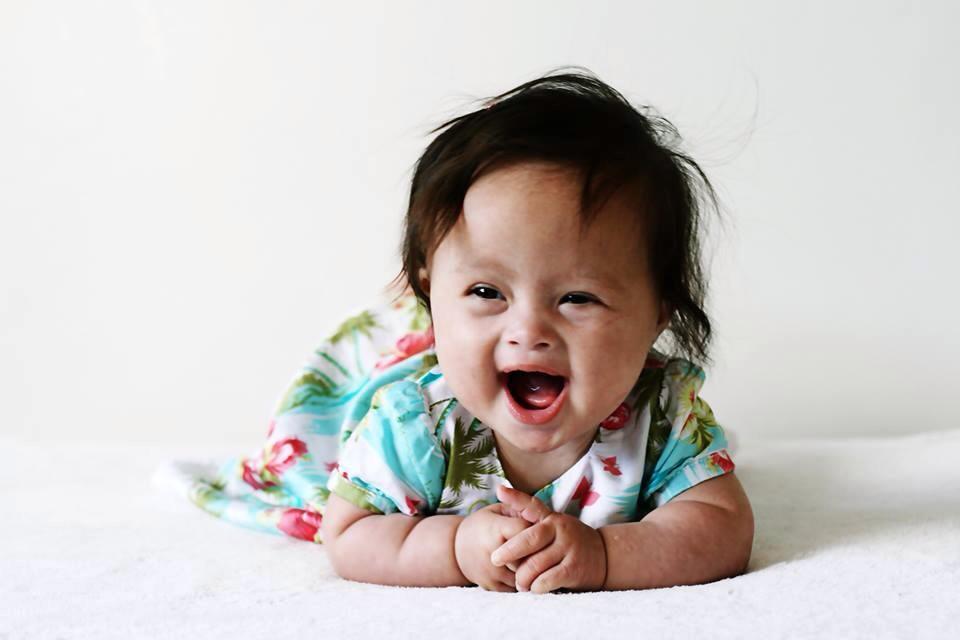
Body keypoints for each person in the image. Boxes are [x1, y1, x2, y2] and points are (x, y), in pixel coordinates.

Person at [179, 69, 754, 594]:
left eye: (577, 297)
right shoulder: (418, 424)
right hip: (378, 385)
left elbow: (721, 528)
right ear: (432, 291)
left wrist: (604, 553)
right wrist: (453, 547)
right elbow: (350, 534)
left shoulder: (663, 416)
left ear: (659, 313)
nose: (528, 331)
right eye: (487, 293)